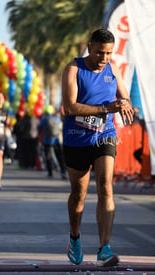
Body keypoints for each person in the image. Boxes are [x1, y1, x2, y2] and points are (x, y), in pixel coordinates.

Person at [61, 28, 134, 267]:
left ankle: (104, 248)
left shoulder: (112, 70)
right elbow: (70, 108)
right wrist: (105, 109)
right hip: (77, 138)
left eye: (109, 53)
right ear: (89, 47)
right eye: (100, 53)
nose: (104, 58)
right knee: (79, 195)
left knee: (105, 187)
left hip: (105, 136)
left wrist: (125, 105)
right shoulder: (73, 69)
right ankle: (74, 237)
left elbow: (124, 98)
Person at [39, 105, 67, 179]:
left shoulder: (44, 119)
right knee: (60, 157)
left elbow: (40, 128)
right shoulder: (57, 118)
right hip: (57, 140)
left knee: (48, 157)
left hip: (47, 140)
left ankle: (50, 173)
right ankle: (63, 171)